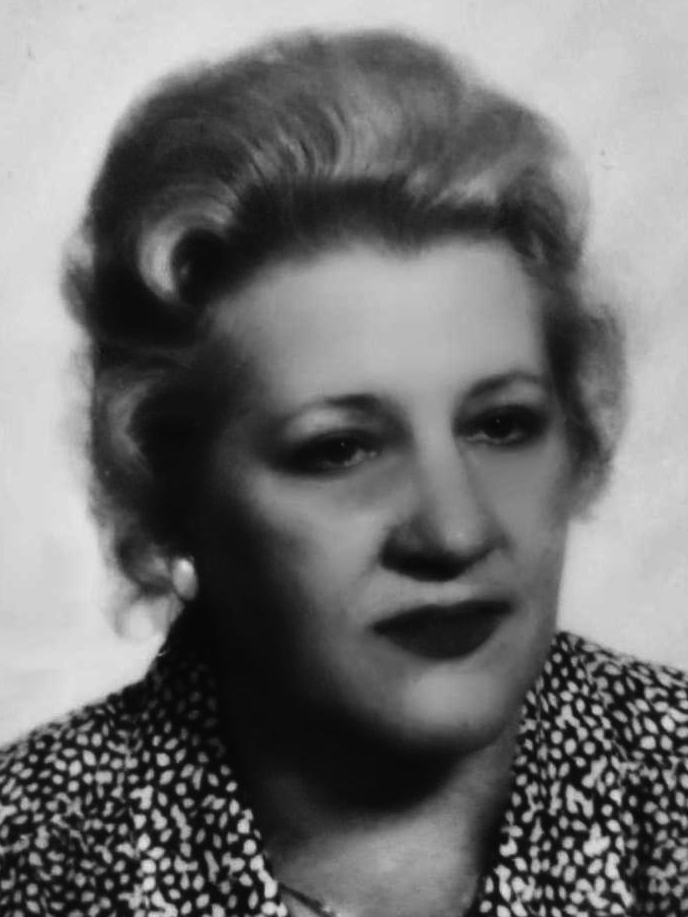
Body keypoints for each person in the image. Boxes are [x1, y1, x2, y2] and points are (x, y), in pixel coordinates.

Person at [1, 28, 686, 917]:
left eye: (502, 425)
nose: (455, 530)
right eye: (340, 448)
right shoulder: (34, 855)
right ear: (174, 492)